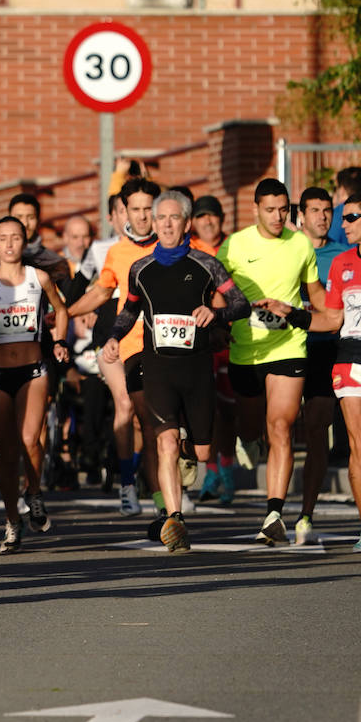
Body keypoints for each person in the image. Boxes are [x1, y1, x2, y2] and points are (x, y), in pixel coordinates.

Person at [102, 191, 251, 552]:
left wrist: (215, 314)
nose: (167, 225)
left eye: (174, 218)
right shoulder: (141, 269)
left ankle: (190, 446)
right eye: (161, 218)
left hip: (197, 369)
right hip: (158, 370)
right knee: (163, 442)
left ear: (186, 224)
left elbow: (241, 304)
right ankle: (176, 520)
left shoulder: (206, 264)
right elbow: (129, 310)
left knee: (200, 455)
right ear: (153, 224)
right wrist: (114, 337)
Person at [218, 179, 324, 545]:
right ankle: (247, 439)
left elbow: (316, 295)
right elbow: (214, 292)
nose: (279, 217)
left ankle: (274, 513)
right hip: (246, 349)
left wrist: (320, 313)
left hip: (288, 346)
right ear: (255, 209)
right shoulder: (234, 245)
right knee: (252, 427)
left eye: (284, 209)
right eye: (270, 210)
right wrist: (221, 322)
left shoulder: (300, 244)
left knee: (280, 425)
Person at [0, 216, 70, 551]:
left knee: (29, 440)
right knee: (7, 452)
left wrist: (60, 341)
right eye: (2, 238)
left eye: (15, 238)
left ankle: (33, 492)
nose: (9, 244)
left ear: (25, 241)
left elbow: (61, 311)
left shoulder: (40, 277)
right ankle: (12, 521)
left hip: (33, 369)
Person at [67, 179, 161, 516]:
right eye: (134, 209)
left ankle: (160, 487)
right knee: (124, 405)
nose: (142, 216)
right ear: (124, 212)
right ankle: (127, 486)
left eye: (148, 208)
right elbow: (103, 291)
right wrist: (66, 312)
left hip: (158, 346)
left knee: (150, 422)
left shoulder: (172, 246)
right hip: (118, 344)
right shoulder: (116, 251)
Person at [308, 191, 361, 552]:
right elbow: (331, 318)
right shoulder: (341, 263)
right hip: (350, 357)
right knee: (360, 446)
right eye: (341, 218)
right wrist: (295, 316)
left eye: (351, 217)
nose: (342, 224)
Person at [295, 186, 349, 544]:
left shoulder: (343, 256)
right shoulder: (286, 250)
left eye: (327, 210)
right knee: (279, 429)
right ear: (300, 215)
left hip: (326, 348)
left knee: (316, 430)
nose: (322, 216)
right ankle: (273, 506)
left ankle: (305, 515)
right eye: (314, 210)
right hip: (282, 350)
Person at [189, 195, 239, 503]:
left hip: (229, 338)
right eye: (201, 216)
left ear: (222, 219)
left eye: (213, 216)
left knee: (227, 412)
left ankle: (227, 471)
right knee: (204, 412)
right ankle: (211, 472)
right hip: (196, 340)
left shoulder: (234, 247)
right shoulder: (189, 250)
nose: (207, 221)